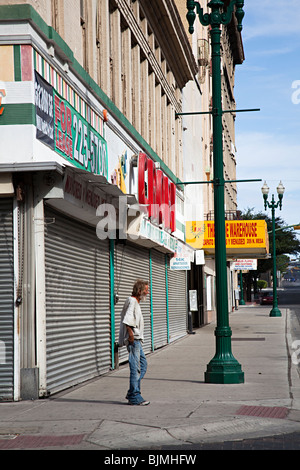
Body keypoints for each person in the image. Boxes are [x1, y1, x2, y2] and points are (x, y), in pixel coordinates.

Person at [118, 279, 150, 406]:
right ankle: (135, 396)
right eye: (146, 290)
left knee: (143, 364)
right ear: (139, 291)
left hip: (137, 340)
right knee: (135, 368)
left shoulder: (135, 301)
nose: (148, 293)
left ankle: (132, 391)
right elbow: (128, 320)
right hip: (134, 340)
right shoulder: (132, 301)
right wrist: (130, 335)